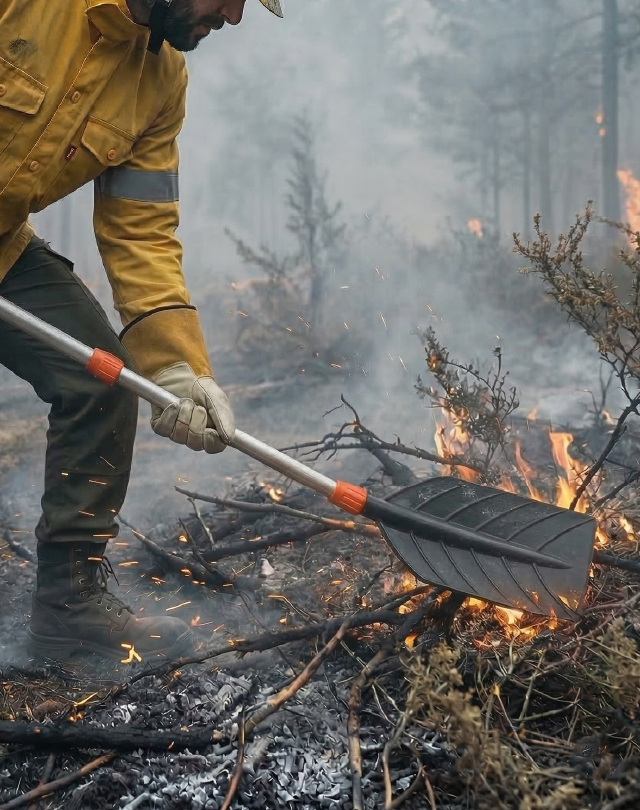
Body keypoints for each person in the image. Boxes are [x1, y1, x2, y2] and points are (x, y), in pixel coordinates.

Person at [0, 0, 283, 662]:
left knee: (100, 379)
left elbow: (142, 232)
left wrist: (178, 369)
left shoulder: (162, 83)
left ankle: (69, 607)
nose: (235, 17)